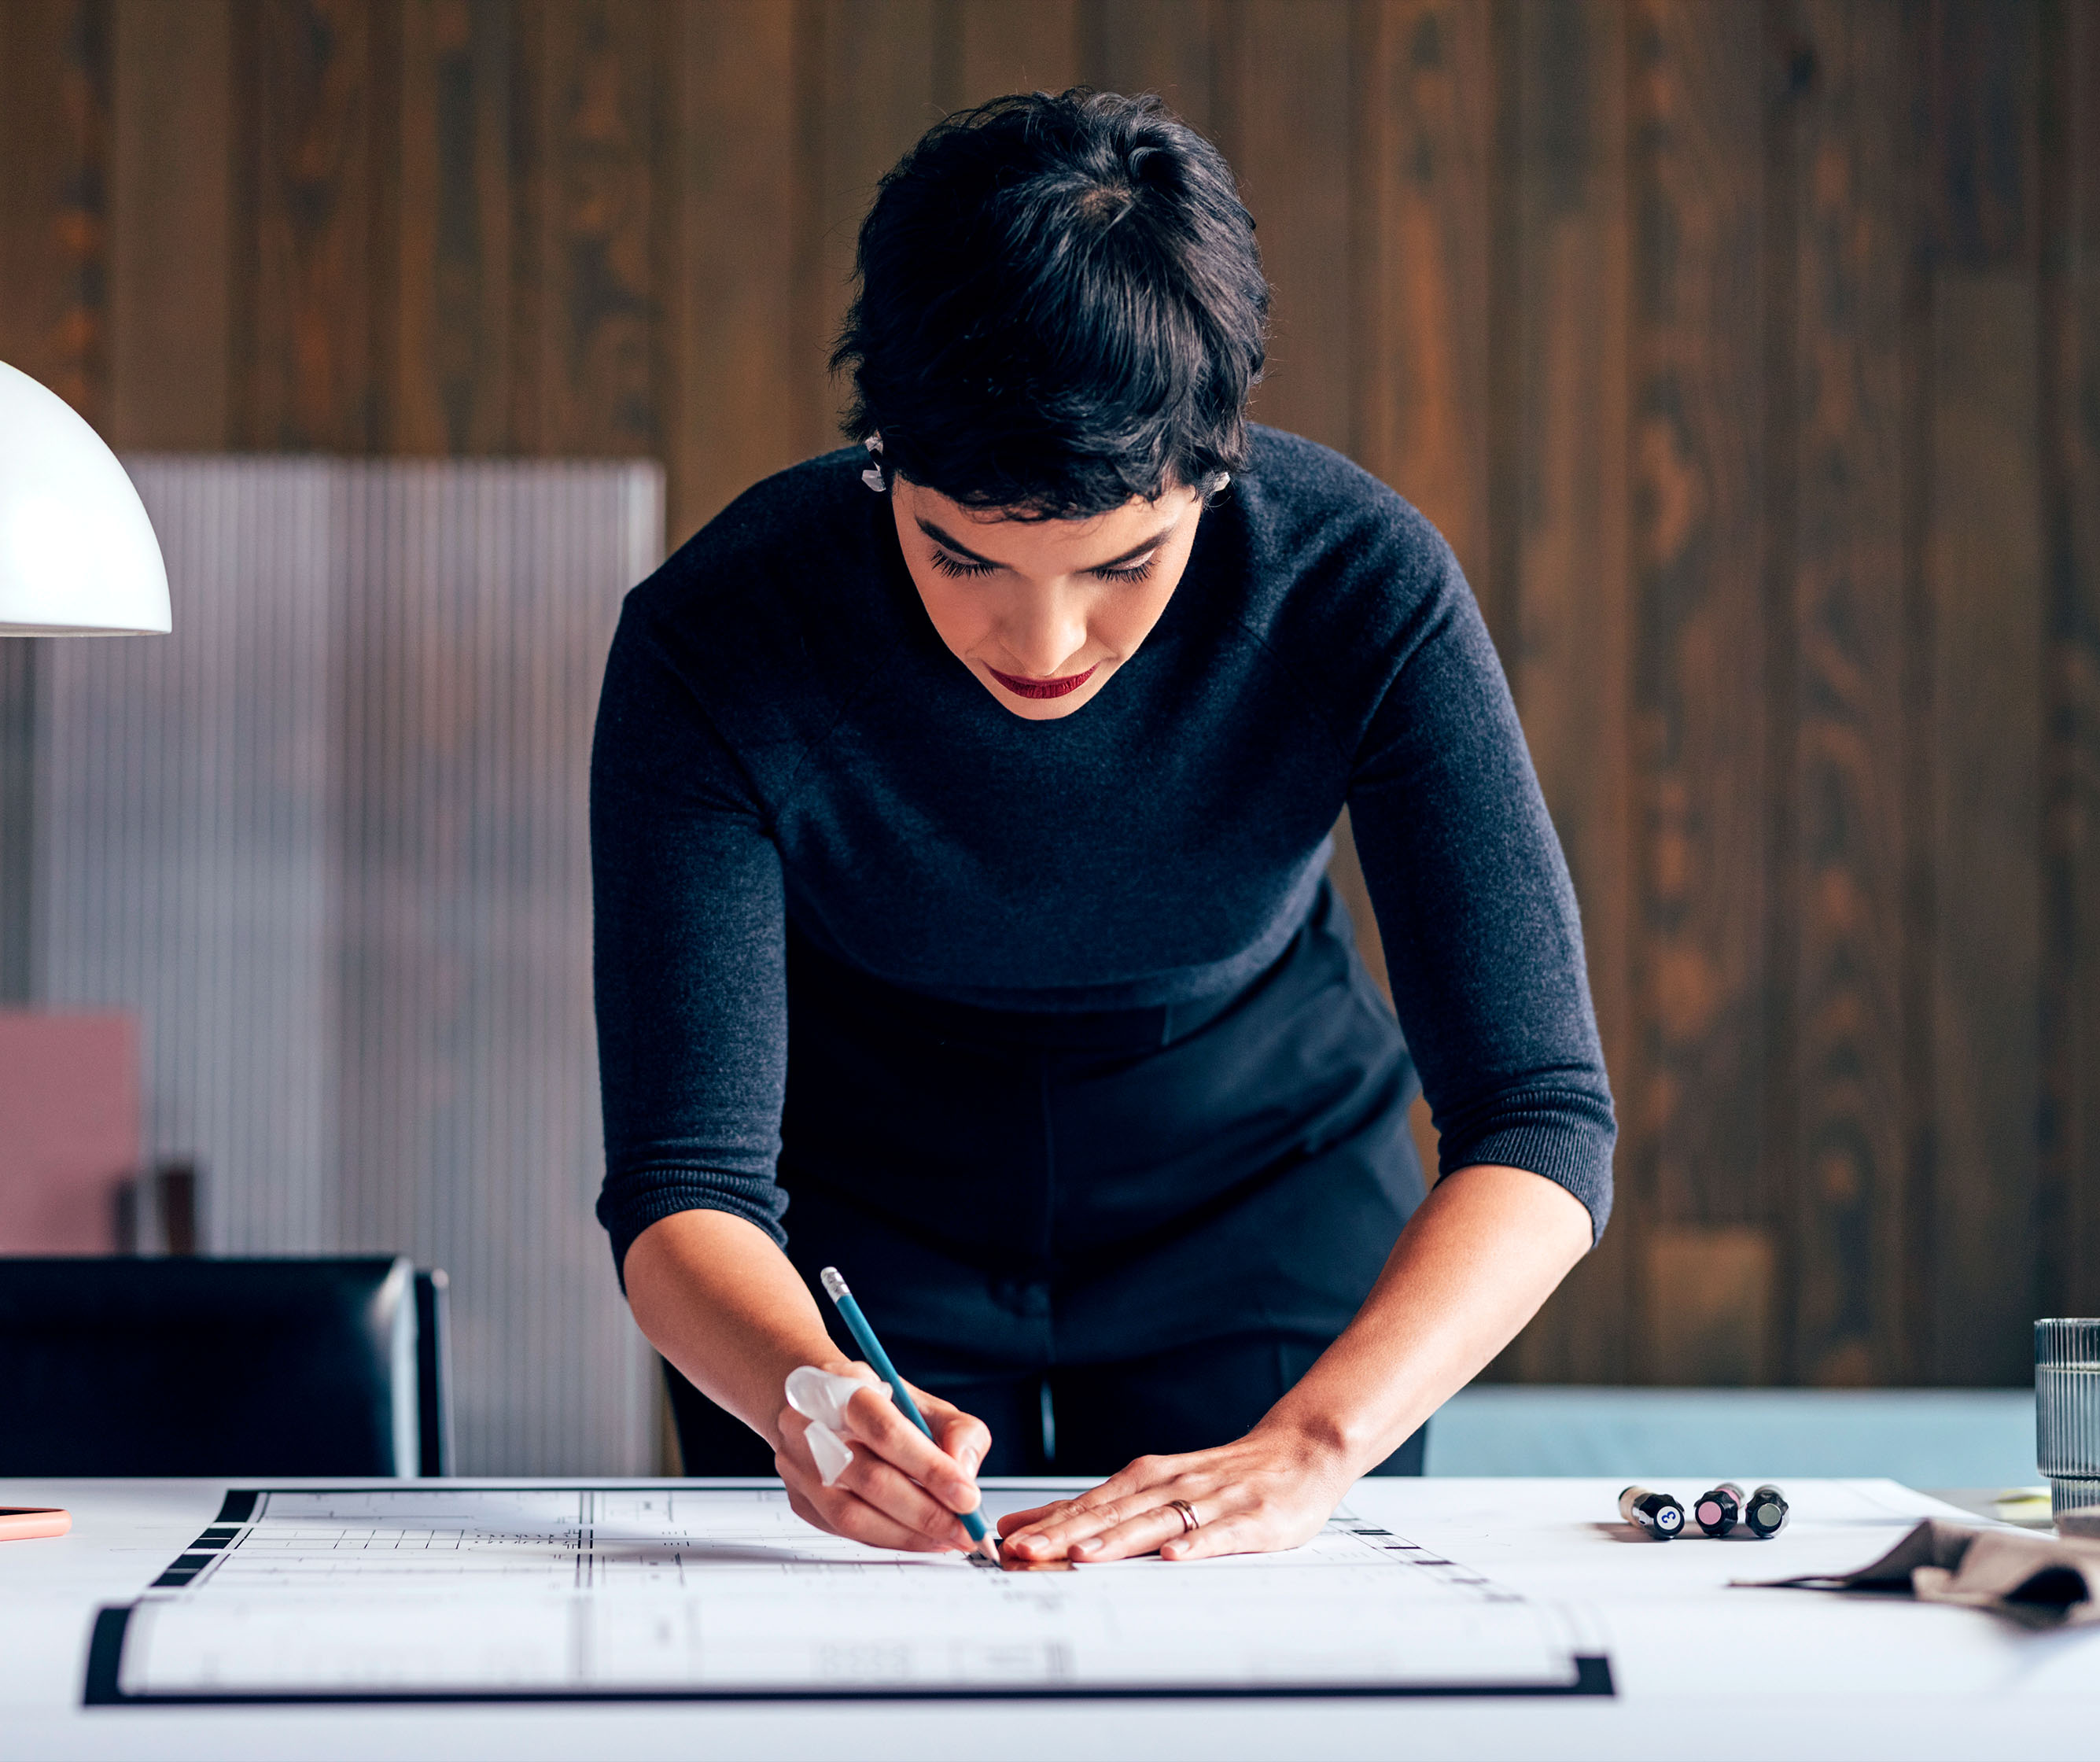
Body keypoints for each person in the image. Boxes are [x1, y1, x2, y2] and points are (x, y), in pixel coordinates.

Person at [591, 90, 1612, 1566]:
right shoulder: (723, 637)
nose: (1044, 638)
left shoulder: (1360, 586)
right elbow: (680, 1186)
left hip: (1265, 1196)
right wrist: (799, 1390)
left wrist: (1319, 1445)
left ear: (1220, 464)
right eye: (961, 554)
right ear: (881, 451)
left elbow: (1541, 1116)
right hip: (854, 1238)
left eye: (1126, 563)